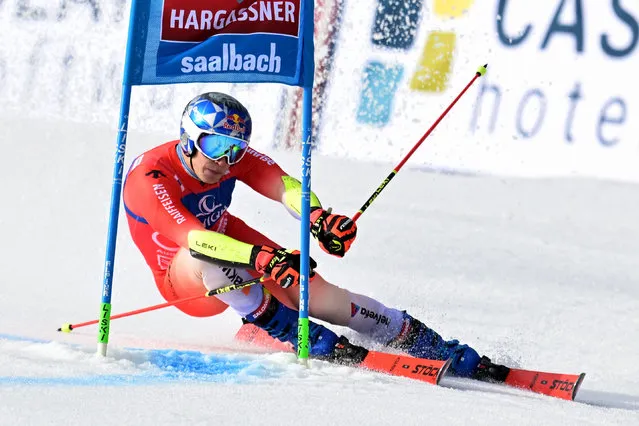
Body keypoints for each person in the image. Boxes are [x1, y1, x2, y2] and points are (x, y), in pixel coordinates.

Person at [122, 92, 505, 379]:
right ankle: (285, 329)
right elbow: (193, 238)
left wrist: (318, 218)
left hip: (228, 239)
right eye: (216, 146)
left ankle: (427, 344)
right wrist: (259, 258)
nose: (225, 162)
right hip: (183, 276)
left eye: (235, 151)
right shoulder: (150, 176)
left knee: (322, 297)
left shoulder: (228, 161)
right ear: (189, 138)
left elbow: (283, 184)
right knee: (210, 257)